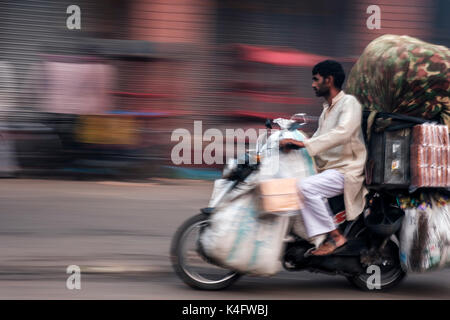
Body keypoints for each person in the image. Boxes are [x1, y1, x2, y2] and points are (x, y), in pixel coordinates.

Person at [279, 60, 368, 256]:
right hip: (329, 169)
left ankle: (335, 237)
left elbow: (343, 132)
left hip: (346, 170)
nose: (312, 84)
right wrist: (294, 141)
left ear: (329, 80)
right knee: (291, 183)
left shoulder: (349, 104)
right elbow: (319, 139)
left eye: (316, 79)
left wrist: (307, 144)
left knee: (305, 187)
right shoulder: (327, 110)